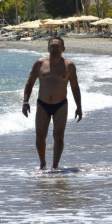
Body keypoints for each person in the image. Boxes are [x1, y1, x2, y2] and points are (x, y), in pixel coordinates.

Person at [22, 37, 82, 170]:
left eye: (57, 46)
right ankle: (43, 164)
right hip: (42, 104)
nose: (54, 49)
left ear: (63, 49)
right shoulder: (40, 63)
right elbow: (29, 83)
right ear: (48, 48)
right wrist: (25, 102)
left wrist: (79, 107)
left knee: (58, 136)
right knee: (40, 136)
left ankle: (55, 166)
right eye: (52, 47)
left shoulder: (69, 65)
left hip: (61, 104)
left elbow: (75, 87)